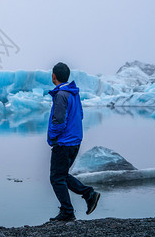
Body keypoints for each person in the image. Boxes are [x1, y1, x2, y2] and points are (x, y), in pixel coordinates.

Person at [47, 62, 100, 222]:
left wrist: (54, 137)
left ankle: (69, 210)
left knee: (56, 178)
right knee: (61, 175)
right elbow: (80, 115)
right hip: (75, 141)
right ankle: (87, 195)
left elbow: (59, 121)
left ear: (53, 76)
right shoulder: (73, 93)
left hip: (64, 143)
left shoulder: (61, 95)